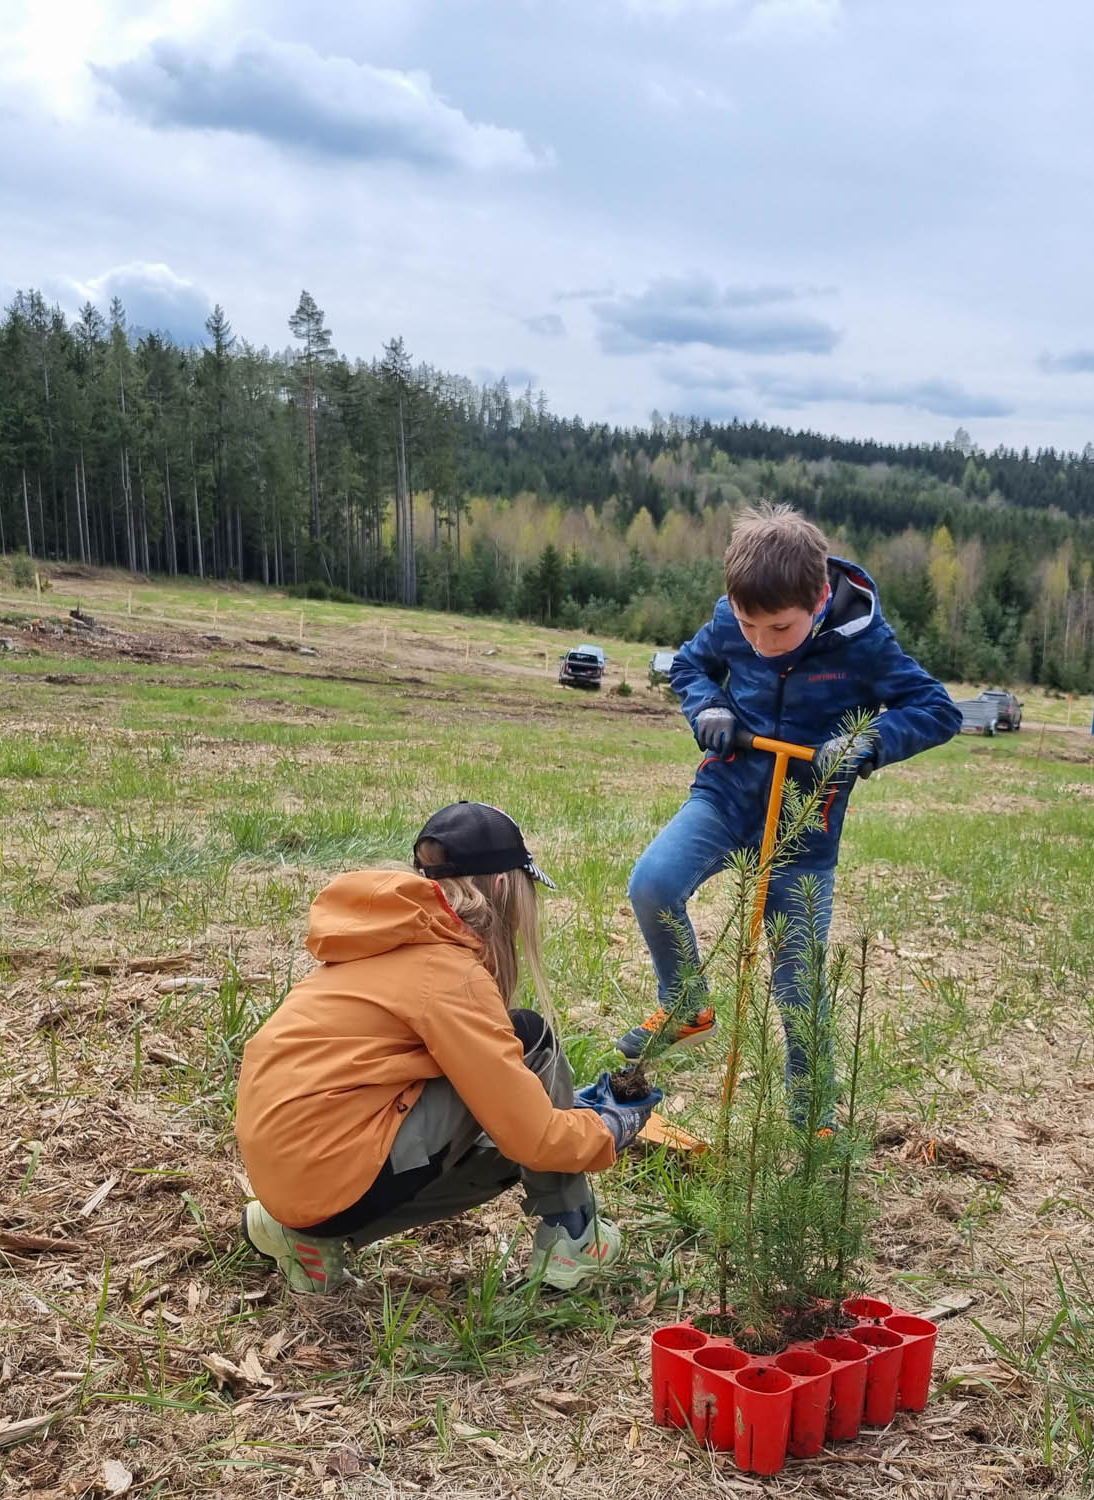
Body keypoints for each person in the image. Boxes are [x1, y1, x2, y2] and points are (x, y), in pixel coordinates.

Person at [237, 802, 660, 1292]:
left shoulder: (377, 939)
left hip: (289, 1179)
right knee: (530, 1042)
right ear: (503, 885)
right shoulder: (448, 974)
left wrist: (565, 1118)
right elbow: (531, 1138)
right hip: (337, 1182)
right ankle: (574, 1237)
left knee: (515, 1110)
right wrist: (607, 1127)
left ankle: (298, 1239)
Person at [616, 503, 962, 1095]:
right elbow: (691, 665)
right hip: (726, 793)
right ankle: (685, 1005)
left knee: (798, 982)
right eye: (750, 629)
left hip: (806, 823)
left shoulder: (865, 643)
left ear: (820, 597)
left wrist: (864, 743)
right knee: (652, 884)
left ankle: (811, 1118)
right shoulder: (733, 617)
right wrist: (710, 707)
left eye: (780, 629)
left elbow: (938, 710)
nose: (762, 642)